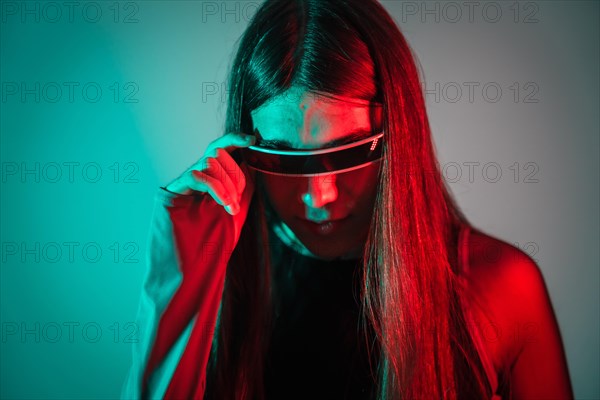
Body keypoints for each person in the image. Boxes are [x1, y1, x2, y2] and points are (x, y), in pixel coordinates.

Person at [121, 0, 574, 399]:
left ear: (400, 136)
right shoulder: (219, 281)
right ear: (243, 150)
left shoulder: (500, 287)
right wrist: (185, 267)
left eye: (351, 153)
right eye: (285, 158)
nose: (320, 195)